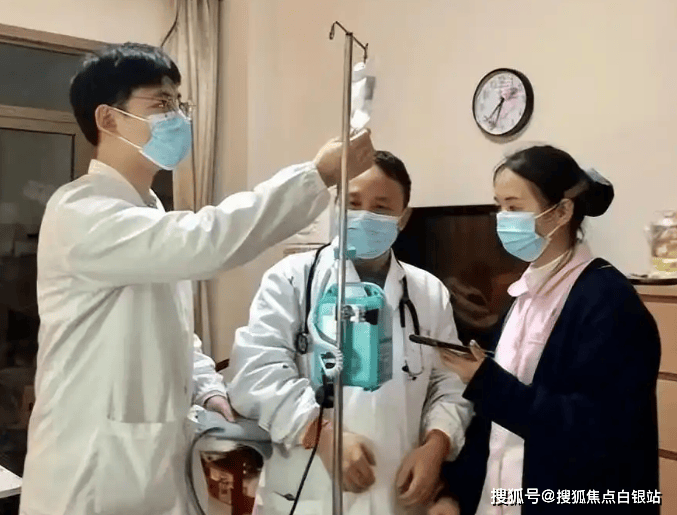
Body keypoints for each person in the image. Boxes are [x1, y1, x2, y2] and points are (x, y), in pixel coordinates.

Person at [19, 42, 374, 515]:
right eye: (161, 103)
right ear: (108, 119)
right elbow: (209, 240)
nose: (178, 118)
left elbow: (171, 329)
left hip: (150, 465)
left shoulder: (148, 211)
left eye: (179, 103)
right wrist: (317, 175)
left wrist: (207, 385)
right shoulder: (82, 212)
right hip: (90, 472)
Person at [228, 150, 473, 515]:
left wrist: (437, 445)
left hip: (396, 489)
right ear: (337, 205)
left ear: (404, 217)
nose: (364, 216)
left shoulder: (428, 292)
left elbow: (449, 382)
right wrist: (321, 434)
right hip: (308, 490)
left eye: (381, 208)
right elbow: (255, 373)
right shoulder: (292, 279)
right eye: (353, 203)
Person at [427, 145, 660, 515]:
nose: (502, 219)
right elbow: (494, 427)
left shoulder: (608, 302)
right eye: (499, 206)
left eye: (514, 207)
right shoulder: (523, 295)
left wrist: (487, 382)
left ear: (562, 212)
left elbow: (596, 430)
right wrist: (455, 494)